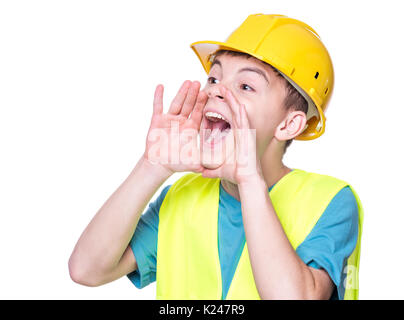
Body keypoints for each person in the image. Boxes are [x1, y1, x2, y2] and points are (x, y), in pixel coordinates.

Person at [68, 14, 363, 300]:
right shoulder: (180, 198)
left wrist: (249, 180)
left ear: (288, 125)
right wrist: (151, 168)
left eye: (246, 86)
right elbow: (86, 270)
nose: (217, 91)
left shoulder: (330, 201)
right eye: (213, 78)